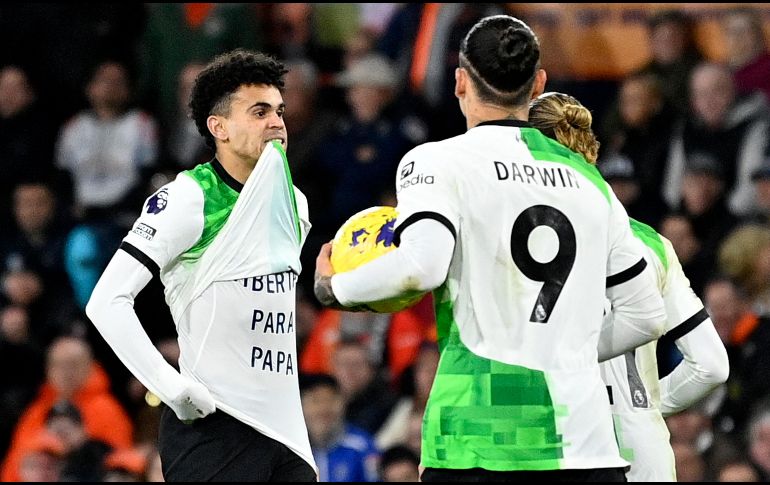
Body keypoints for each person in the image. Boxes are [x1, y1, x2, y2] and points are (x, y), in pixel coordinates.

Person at [314, 14, 667, 482]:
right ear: (538, 83)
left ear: (459, 81)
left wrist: (333, 288)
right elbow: (646, 314)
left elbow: (421, 266)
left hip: (479, 438)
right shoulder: (589, 180)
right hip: (584, 446)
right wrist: (566, 353)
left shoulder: (438, 161)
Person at [85, 49, 317, 481]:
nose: (277, 123)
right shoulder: (189, 197)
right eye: (260, 111)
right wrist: (170, 386)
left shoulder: (294, 202)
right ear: (219, 127)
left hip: (287, 434)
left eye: (280, 111)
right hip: (214, 426)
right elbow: (106, 301)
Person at [529, 91, 730, 481]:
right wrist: (644, 405)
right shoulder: (650, 242)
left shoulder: (515, 235)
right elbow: (710, 365)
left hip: (555, 441)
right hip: (644, 452)